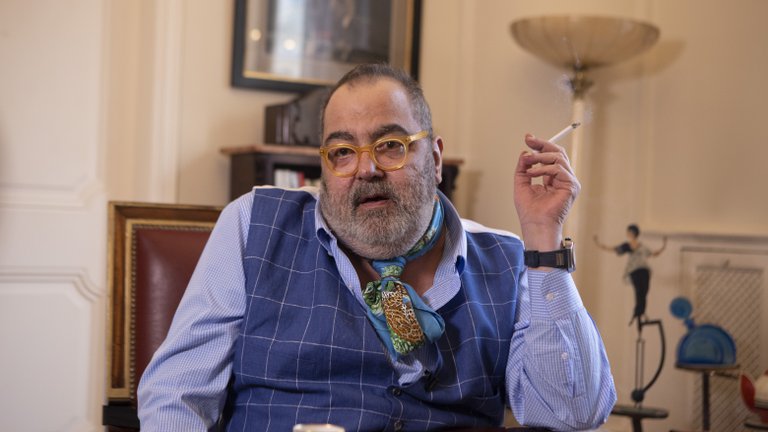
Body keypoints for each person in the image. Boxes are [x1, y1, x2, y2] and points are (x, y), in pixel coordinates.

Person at [138, 63, 616, 431]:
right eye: (342, 152)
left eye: (390, 145)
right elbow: (177, 396)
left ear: (435, 158)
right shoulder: (252, 225)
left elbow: (573, 414)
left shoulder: (510, 261)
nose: (366, 169)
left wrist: (543, 240)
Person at [594, 224, 667, 331]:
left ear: (632, 233)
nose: (627, 234)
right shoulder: (627, 246)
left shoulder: (643, 247)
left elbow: (653, 253)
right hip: (634, 271)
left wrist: (663, 246)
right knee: (639, 292)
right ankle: (637, 313)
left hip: (644, 271)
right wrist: (598, 243)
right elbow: (613, 249)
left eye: (629, 232)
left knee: (644, 291)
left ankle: (641, 312)